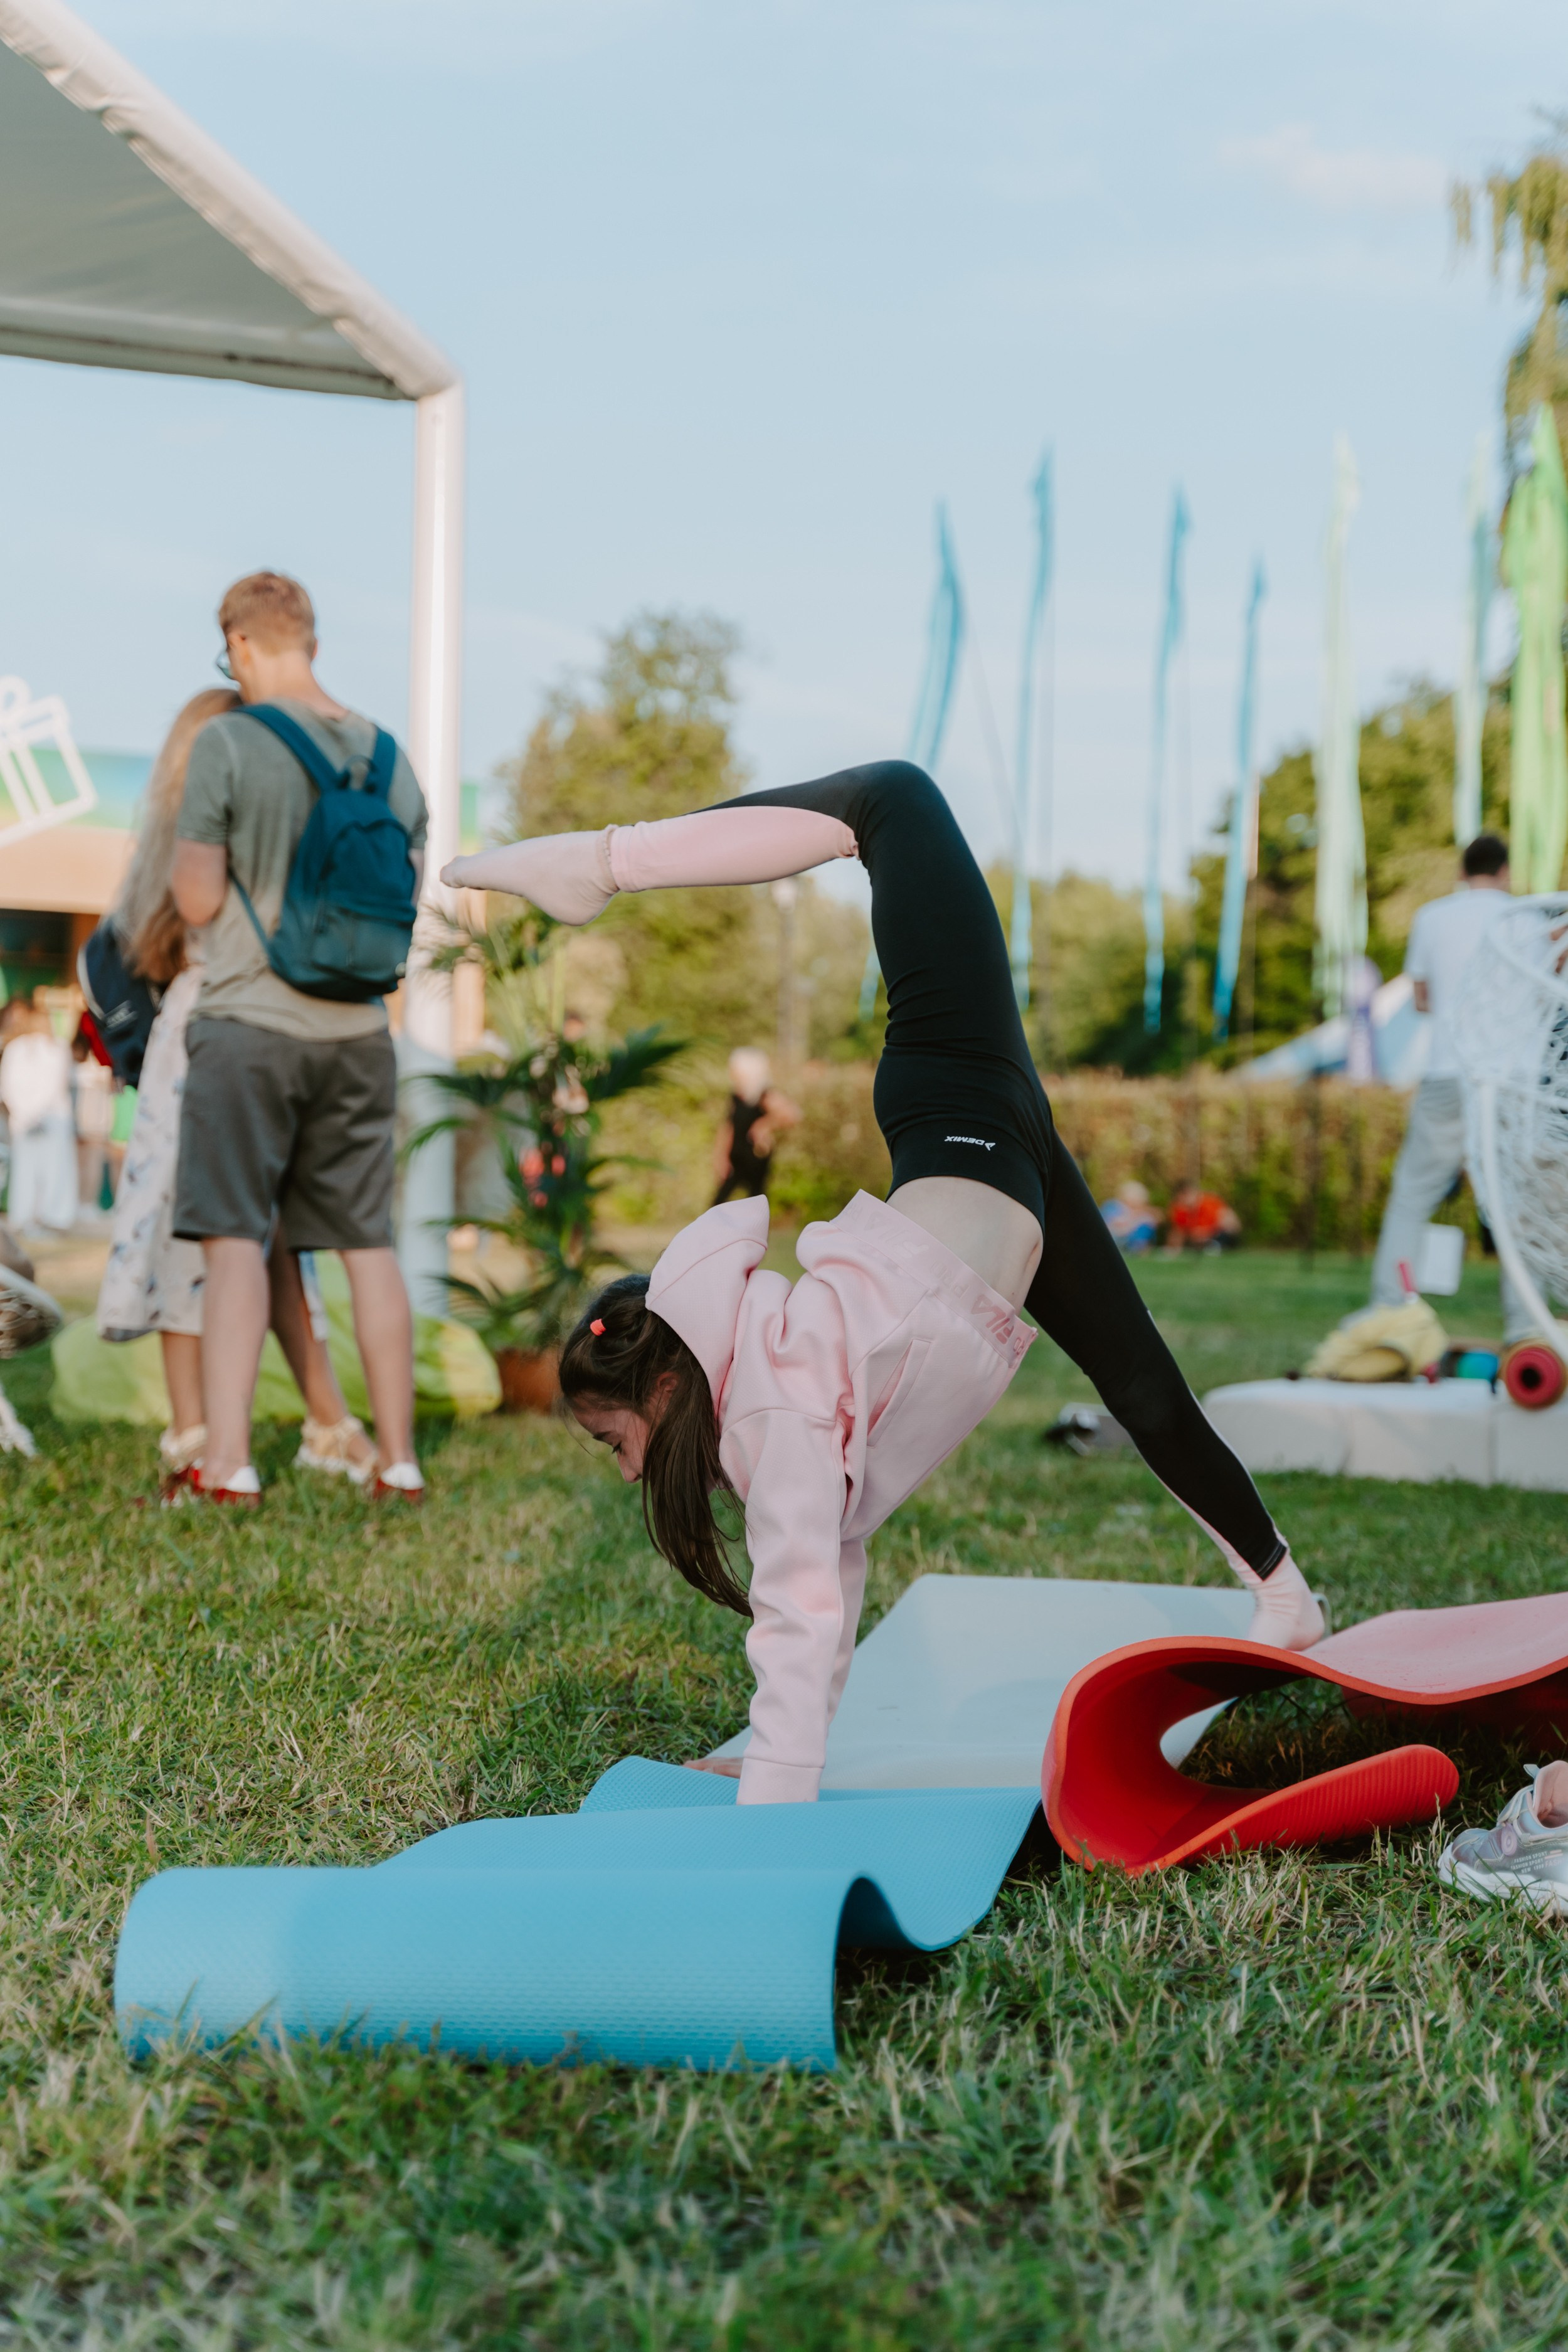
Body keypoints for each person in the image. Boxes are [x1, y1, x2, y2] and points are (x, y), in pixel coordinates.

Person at [443, 761, 1322, 1807]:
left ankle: (600, 864)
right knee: (1145, 1394)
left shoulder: (771, 1410)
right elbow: (824, 1591)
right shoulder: (780, 1441)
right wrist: (764, 1759)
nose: (629, 1473)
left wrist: (771, 1799)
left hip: (962, 1106)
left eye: (612, 1441)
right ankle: (1286, 1595)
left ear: (663, 1387)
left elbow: (797, 1615)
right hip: (999, 1165)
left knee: (892, 799)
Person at [168, 573, 427, 1502]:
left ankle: (230, 1465)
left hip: (249, 1026)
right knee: (368, 1244)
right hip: (360, 1034)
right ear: (308, 640)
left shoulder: (229, 742)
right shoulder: (394, 761)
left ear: (240, 644)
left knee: (235, 1239)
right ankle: (398, 1460)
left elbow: (197, 898)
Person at [100, 687, 378, 1498]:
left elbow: (152, 944)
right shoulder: (247, 824)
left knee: (205, 1241)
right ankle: (317, 1423)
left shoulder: (175, 837)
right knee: (263, 1242)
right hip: (253, 1030)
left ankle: (201, 1432)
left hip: (197, 1041)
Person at [1368, 834, 1527, 1338]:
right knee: (1515, 1202)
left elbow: (1420, 999)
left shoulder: (1433, 917)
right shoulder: (1523, 917)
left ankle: (1389, 1310)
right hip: (1508, 1076)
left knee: (1413, 1193)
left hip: (1446, 1069)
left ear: (1463, 871)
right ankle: (1525, 1325)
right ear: (1504, 872)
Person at [0, 1001, 78, 1234]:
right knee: (27, 1171)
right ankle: (26, 1217)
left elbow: (56, 1084)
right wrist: (25, 1113)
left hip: (51, 1120)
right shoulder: (17, 1049)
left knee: (52, 1171)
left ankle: (52, 1218)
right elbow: (8, 1085)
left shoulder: (58, 1048)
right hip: (25, 1121)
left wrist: (31, 1112)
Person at [712, 1047, 800, 1206]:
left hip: (755, 1157)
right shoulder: (737, 1096)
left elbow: (792, 1114)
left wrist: (765, 1125)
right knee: (718, 1202)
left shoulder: (764, 1095)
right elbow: (728, 1127)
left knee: (756, 1201)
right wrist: (721, 1156)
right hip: (736, 1158)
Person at [1165, 1184, 1241, 1254]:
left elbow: (1232, 1223)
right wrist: (1173, 1248)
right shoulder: (1180, 1210)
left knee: (1227, 1227)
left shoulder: (1210, 1202)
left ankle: (1217, 1245)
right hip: (1197, 1242)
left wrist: (1207, 1231)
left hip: (1218, 1235)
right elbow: (1177, 1231)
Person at [1100, 1179, 1159, 1254]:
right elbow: (1113, 1223)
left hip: (1129, 1239)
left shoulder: (1142, 1212)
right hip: (1114, 1236)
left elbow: (1156, 1218)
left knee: (1145, 1224)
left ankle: (1139, 1246)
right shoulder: (1114, 1206)